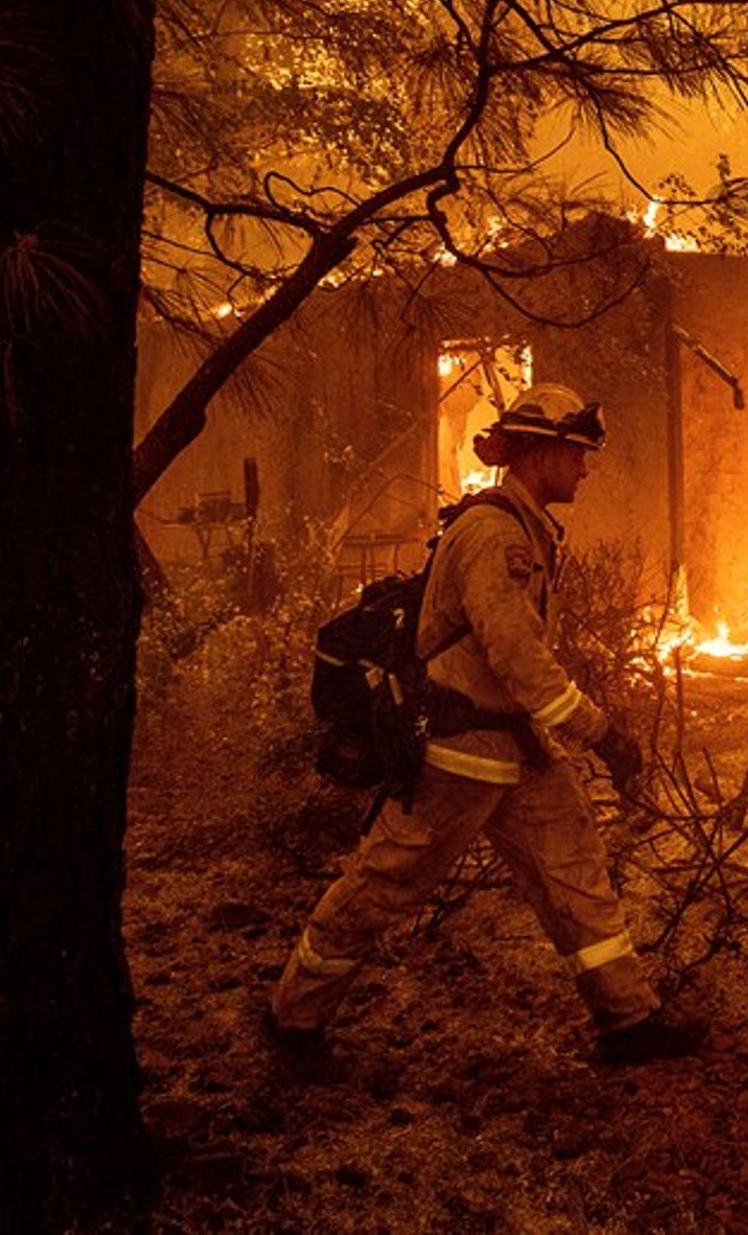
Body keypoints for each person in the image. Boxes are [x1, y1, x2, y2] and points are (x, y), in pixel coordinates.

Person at [266, 383, 705, 1071]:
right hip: (459, 754)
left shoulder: (523, 528)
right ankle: (293, 1021)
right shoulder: (493, 535)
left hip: (518, 749)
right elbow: (516, 657)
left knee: (574, 871)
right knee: (385, 880)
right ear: (538, 453)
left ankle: (630, 1020)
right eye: (577, 454)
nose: (586, 469)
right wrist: (600, 731)